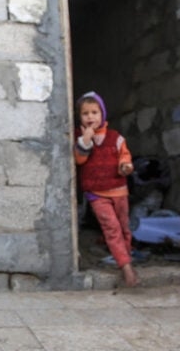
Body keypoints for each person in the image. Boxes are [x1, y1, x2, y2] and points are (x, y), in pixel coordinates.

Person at [73, 91, 138, 287]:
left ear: (102, 114)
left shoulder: (115, 137)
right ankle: (126, 267)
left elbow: (125, 156)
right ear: (79, 117)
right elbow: (79, 159)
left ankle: (125, 256)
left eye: (95, 112)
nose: (90, 117)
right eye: (85, 113)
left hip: (119, 190)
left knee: (124, 227)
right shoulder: (79, 137)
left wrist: (126, 166)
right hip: (96, 193)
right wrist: (86, 140)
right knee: (112, 228)